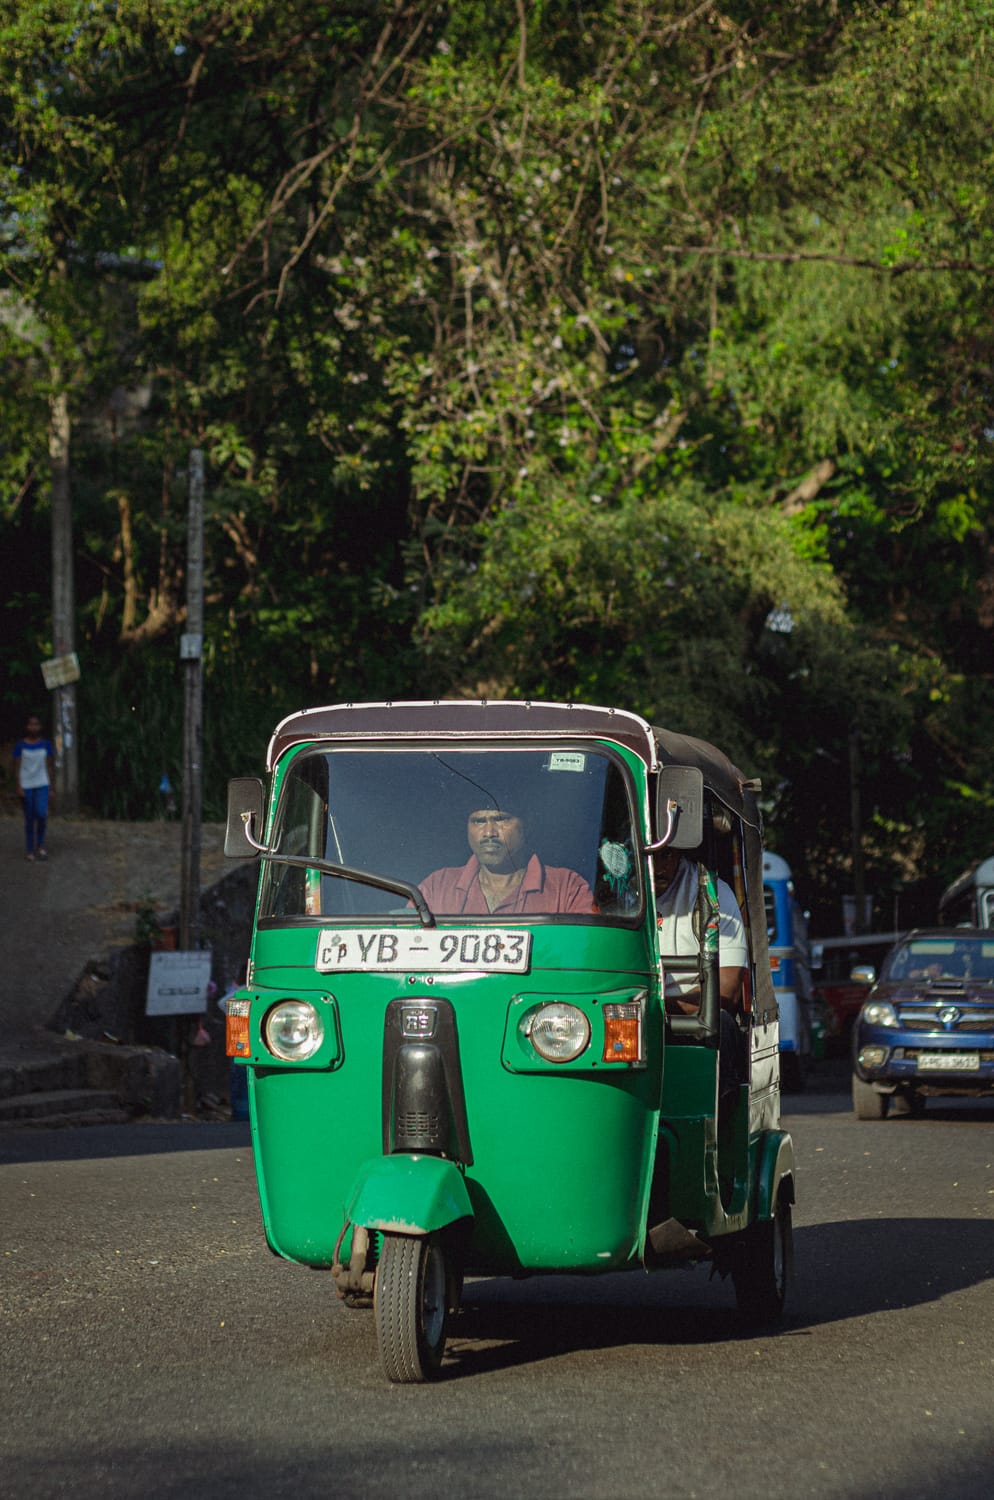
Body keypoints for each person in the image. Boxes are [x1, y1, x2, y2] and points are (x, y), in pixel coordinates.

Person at [654, 847, 748, 1107]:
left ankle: (716, 1125)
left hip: (684, 1021)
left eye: (666, 856)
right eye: (648, 856)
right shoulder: (612, 890)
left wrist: (658, 1006)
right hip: (626, 1018)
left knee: (723, 1025)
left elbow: (728, 992)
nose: (657, 867)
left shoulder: (711, 893)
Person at [419, 799, 596, 916]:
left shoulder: (567, 888)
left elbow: (586, 952)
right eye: (479, 821)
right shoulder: (436, 887)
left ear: (526, 826)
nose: (489, 833)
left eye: (501, 819)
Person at [13, 714, 55, 863]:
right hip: (26, 785)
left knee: (42, 814)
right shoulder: (20, 745)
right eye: (31, 724)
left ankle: (41, 845)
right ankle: (30, 850)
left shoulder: (46, 744)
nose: (33, 727)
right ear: (26, 727)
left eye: (36, 724)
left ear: (40, 727)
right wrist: (18, 786)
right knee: (29, 818)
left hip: (42, 783)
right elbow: (16, 767)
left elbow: (50, 766)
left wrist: (52, 788)